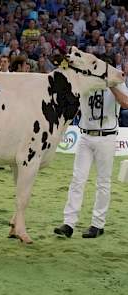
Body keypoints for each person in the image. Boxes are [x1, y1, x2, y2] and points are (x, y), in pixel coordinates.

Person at [54, 81, 128, 239]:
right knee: (77, 179)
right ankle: (69, 223)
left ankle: (98, 224)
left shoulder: (117, 82)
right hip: (85, 135)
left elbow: (125, 102)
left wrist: (111, 85)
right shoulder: (85, 82)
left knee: (103, 182)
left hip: (106, 137)